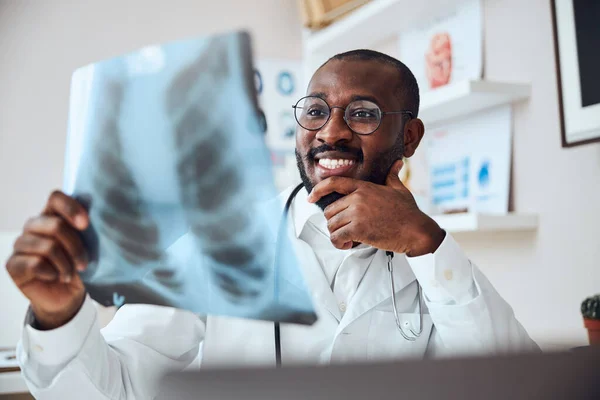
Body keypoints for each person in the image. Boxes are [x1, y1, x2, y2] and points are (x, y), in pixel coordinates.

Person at [6, 50, 538, 399]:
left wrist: (425, 242)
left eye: (365, 114)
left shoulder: (432, 257)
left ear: (410, 138)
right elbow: (117, 386)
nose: (333, 132)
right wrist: (59, 317)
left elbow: (513, 383)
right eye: (315, 111)